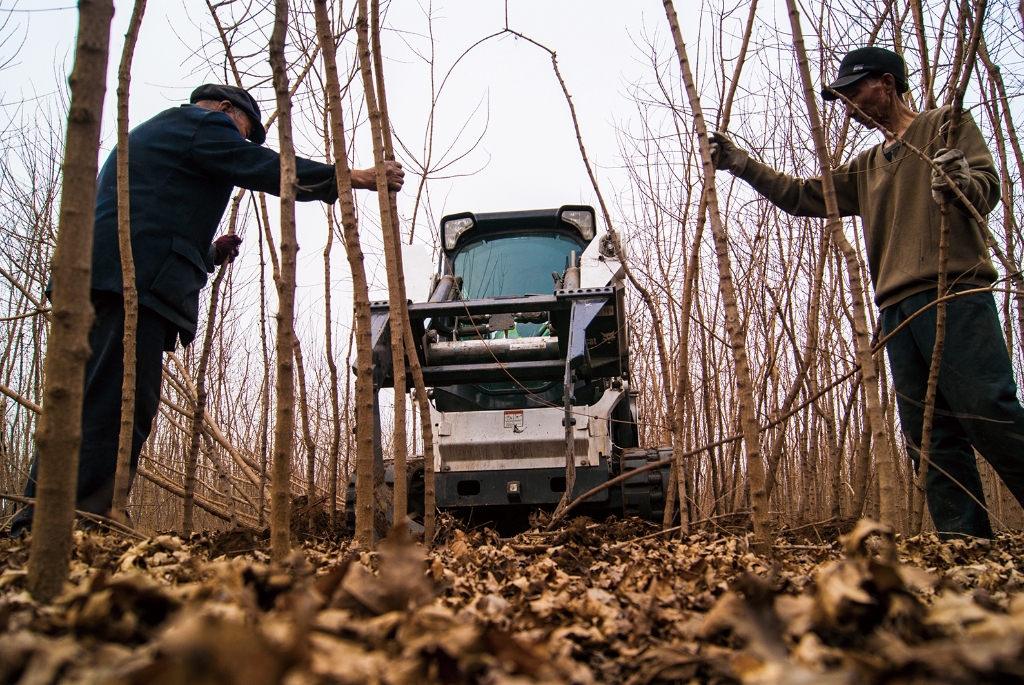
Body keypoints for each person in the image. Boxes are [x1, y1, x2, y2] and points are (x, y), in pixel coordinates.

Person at [12, 84, 403, 534]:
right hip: (127, 285)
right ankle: (76, 525)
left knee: (85, 401)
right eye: (244, 130)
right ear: (224, 109)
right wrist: (352, 176)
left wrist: (210, 254)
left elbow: (150, 213)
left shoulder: (161, 133)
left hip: (98, 279)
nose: (242, 141)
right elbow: (267, 168)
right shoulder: (202, 123)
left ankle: (38, 521)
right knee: (116, 408)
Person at [710, 47, 1024, 538]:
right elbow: (803, 195)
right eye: (842, 97)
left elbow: (986, 189)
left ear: (887, 83)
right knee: (929, 437)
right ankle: (967, 547)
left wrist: (959, 179)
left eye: (854, 91)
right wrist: (741, 164)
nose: (848, 104)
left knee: (990, 413)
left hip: (956, 291)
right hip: (896, 309)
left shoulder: (945, 124)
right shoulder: (867, 165)